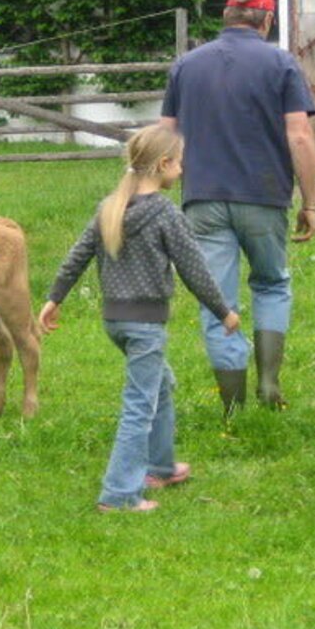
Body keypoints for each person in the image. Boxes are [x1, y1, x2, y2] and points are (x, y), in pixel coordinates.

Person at [40, 125, 241, 513]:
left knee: (161, 383)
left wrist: (54, 298)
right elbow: (194, 268)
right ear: (163, 164)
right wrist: (224, 312)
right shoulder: (164, 213)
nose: (182, 170)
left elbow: (77, 255)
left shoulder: (111, 207)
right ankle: (119, 494)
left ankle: (160, 467)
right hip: (145, 325)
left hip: (115, 321)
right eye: (179, 163)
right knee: (140, 404)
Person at [160, 0, 315, 414]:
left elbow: (167, 136)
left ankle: (232, 407)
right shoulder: (281, 63)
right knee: (270, 284)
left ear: (228, 15)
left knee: (218, 301)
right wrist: (309, 202)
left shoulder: (186, 66)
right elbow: (299, 135)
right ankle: (270, 382)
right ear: (266, 20)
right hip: (264, 196)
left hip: (203, 198)